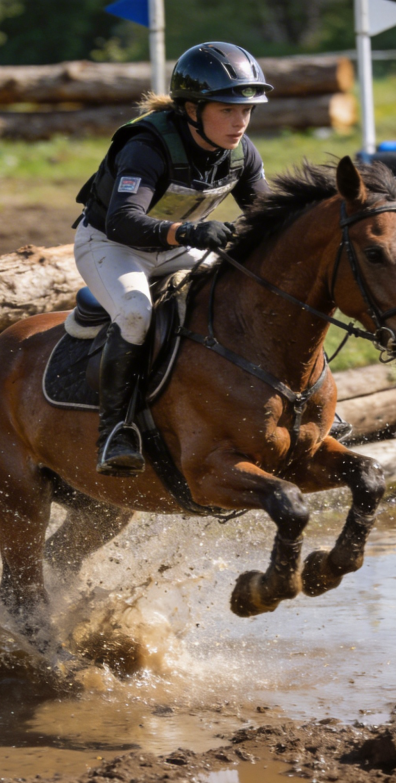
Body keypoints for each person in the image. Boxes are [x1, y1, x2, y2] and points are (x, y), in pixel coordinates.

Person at [74, 42, 273, 477]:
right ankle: (115, 430)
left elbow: (269, 220)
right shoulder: (148, 145)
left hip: (177, 247)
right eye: (227, 110)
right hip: (111, 245)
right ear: (190, 109)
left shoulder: (241, 153)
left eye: (247, 111)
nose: (240, 122)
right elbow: (123, 221)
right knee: (133, 313)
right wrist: (189, 231)